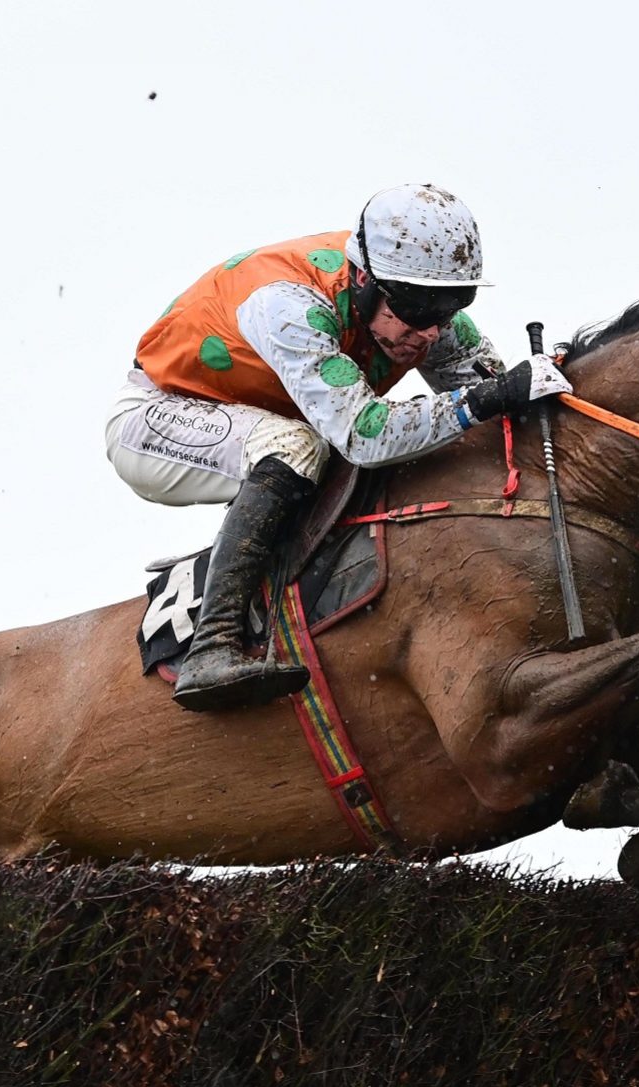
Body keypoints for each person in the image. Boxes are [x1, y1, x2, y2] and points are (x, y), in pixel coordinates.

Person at [107, 183, 573, 712]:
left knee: (321, 446)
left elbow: (502, 399)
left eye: (451, 308)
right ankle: (212, 645)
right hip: (154, 418)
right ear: (364, 279)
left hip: (257, 420)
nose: (431, 331)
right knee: (300, 445)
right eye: (419, 308)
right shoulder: (287, 305)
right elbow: (367, 434)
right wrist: (489, 396)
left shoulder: (425, 319)